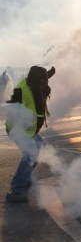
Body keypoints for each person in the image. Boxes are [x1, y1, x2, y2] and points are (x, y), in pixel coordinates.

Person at [5, 65, 56, 203]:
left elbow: (43, 78)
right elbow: (10, 111)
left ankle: (25, 177)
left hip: (29, 130)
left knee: (40, 148)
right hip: (18, 129)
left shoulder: (35, 84)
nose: (47, 83)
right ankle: (15, 190)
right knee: (30, 154)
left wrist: (50, 73)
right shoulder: (19, 91)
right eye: (45, 80)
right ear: (39, 81)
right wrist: (22, 120)